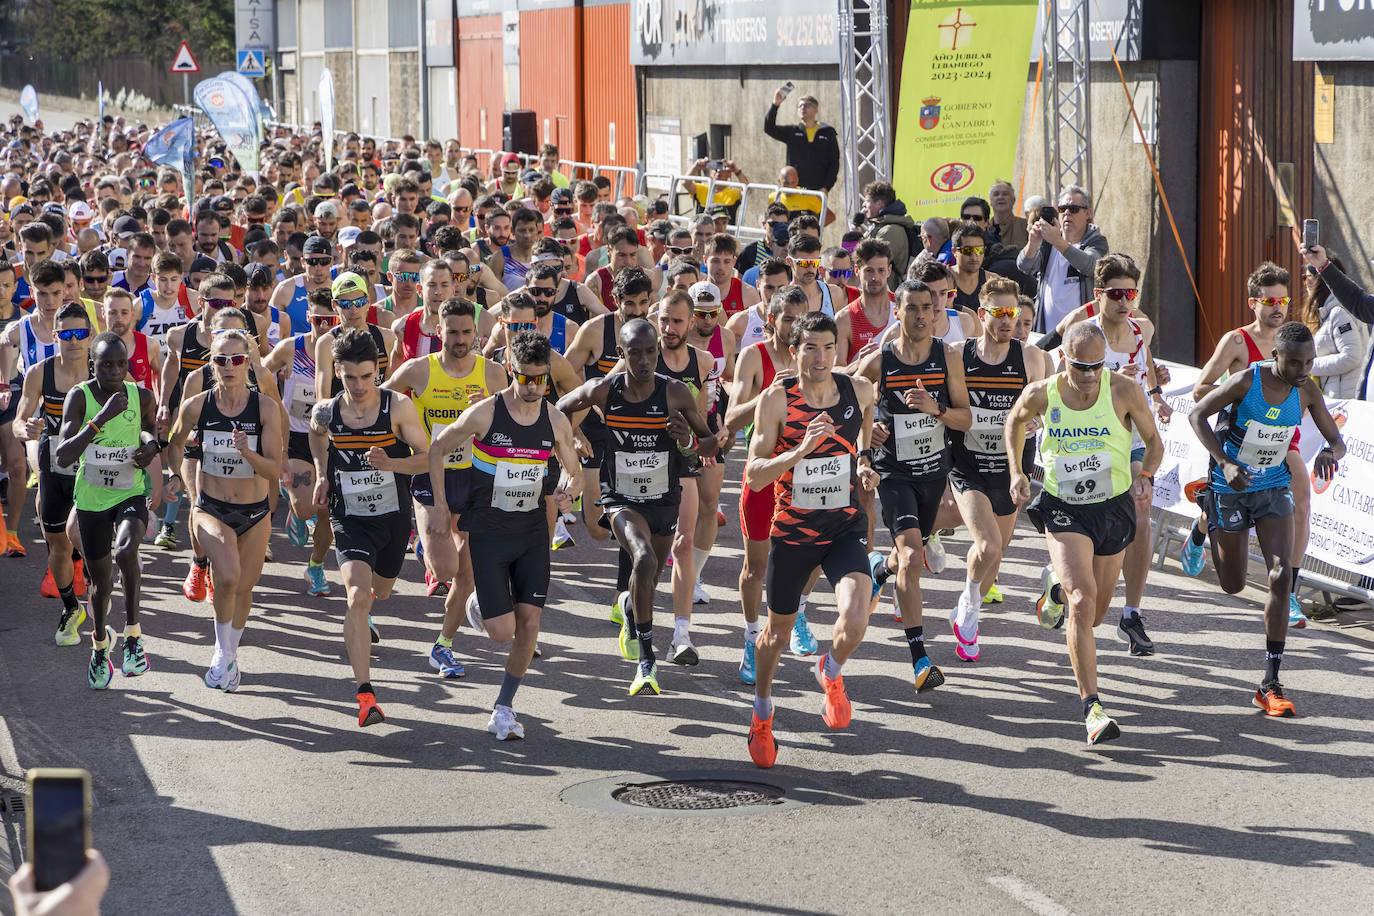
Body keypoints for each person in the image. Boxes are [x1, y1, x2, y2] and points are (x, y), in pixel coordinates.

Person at [1007, 321, 1162, 744]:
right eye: (1081, 367)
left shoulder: (1124, 390)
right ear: (1063, 359)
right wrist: (1016, 471)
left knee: (1093, 615)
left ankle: (1053, 591)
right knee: (1083, 601)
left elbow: (1154, 441)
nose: (1090, 376)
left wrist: (1146, 474)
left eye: (1098, 366)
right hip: (1063, 507)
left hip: (1112, 507)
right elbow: (1015, 422)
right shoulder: (1043, 392)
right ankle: (1092, 707)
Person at [426, 331, 583, 739]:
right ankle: (480, 603)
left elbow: (574, 471)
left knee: (530, 625)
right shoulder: (485, 414)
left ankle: (504, 707)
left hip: (532, 532)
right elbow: (437, 448)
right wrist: (441, 506)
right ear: (512, 371)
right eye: (526, 378)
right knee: (502, 632)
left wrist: (568, 493)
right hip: (490, 533)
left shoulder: (554, 419)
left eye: (541, 379)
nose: (534, 388)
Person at [1189, 322, 1344, 716]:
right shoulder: (1246, 381)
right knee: (1233, 583)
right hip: (1231, 486)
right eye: (1294, 362)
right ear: (1275, 356)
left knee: (1280, 575)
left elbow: (1336, 439)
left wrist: (1330, 453)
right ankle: (1207, 515)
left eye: (1309, 362)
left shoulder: (1307, 389)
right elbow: (1196, 416)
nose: (1302, 370)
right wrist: (1223, 463)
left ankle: (1270, 682)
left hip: (1274, 486)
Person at [556, 317, 717, 696]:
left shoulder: (675, 393)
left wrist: (687, 443)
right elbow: (557, 410)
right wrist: (573, 439)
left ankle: (630, 607)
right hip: (620, 498)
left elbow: (712, 445)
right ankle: (647, 661)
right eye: (634, 353)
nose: (643, 360)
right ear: (621, 354)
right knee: (642, 558)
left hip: (663, 498)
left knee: (650, 575)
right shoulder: (602, 390)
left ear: (658, 352)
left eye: (649, 352)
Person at [744, 312, 877, 768]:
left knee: (856, 616)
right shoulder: (777, 401)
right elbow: (755, 476)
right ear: (793, 350)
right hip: (794, 533)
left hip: (842, 525)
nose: (820, 358)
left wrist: (864, 466)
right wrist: (799, 450)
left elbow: (863, 444)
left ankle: (831, 672)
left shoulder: (858, 391)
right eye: (810, 348)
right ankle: (763, 712)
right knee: (777, 634)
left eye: (827, 348)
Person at [309, 328, 431, 726]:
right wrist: (321, 473)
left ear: (378, 371)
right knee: (358, 597)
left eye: (366, 376)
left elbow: (427, 458)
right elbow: (315, 436)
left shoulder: (397, 408)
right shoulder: (326, 411)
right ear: (337, 373)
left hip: (393, 519)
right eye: (349, 378)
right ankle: (365, 694)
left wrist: (392, 464)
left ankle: (373, 603)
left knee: (381, 591)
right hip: (349, 518)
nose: (359, 386)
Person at [855, 281, 971, 689]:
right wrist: (867, 442)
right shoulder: (879, 362)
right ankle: (921, 659)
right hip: (895, 474)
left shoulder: (947, 357)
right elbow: (851, 408)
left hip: (934, 473)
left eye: (928, 307)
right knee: (911, 558)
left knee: (909, 551)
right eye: (913, 308)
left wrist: (935, 408)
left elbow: (965, 418)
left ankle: (878, 568)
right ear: (897, 311)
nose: (922, 315)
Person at [1184, 263, 1311, 627]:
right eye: (1269, 300)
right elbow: (1201, 389)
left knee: (1301, 497)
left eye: (1284, 299)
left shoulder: (1293, 338)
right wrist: (1240, 395)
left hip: (1281, 436)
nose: (1278, 307)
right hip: (1241, 436)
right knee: (1231, 503)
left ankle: (1288, 590)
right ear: (1253, 302)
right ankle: (1203, 524)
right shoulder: (1237, 341)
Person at [383, 298, 505, 675]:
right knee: (447, 567)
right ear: (438, 330)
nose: (460, 339)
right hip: (432, 475)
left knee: (467, 575)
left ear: (477, 333)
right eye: (452, 332)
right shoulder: (418, 371)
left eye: (467, 332)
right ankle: (422, 541)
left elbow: (511, 425)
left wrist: (488, 409)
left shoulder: (494, 374)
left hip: (477, 478)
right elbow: (378, 403)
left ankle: (443, 645)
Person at [1059, 254, 1173, 655]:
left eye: (1132, 293)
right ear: (1098, 295)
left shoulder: (1142, 329)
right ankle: (1061, 578)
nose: (1126, 302)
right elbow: (1064, 386)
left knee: (1142, 510)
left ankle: (1132, 613)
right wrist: (1108, 386)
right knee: (1089, 525)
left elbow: (1146, 364)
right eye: (1116, 294)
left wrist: (1155, 391)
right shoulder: (1082, 334)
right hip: (1089, 439)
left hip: (1132, 439)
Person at [168, 328, 283, 691]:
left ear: (248, 362)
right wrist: (176, 474)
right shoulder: (198, 405)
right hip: (211, 508)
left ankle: (229, 656)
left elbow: (273, 469)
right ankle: (221, 652)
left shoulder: (264, 407)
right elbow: (174, 440)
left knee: (244, 588)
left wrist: (246, 452)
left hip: (255, 510)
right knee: (229, 577)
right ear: (211, 363)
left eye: (237, 359)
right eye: (221, 359)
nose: (229, 366)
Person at [945, 278, 1046, 660]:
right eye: (1000, 313)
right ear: (983, 314)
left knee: (997, 551)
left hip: (1012, 467)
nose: (1008, 322)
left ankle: (965, 602)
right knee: (986, 544)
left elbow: (1043, 405)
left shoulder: (1030, 357)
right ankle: (970, 613)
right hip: (967, 464)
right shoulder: (958, 353)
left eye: (1014, 314)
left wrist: (1037, 420)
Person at [55, 333, 160, 689]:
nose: (115, 371)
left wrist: (150, 446)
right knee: (102, 584)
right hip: (92, 499)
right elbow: (64, 455)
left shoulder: (141, 395)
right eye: (106, 364)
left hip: (130, 491)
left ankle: (133, 637)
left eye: (121, 364)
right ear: (92, 365)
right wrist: (100, 419)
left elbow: (149, 431)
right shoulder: (79, 397)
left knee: (127, 551)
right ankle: (101, 645)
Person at [726, 291, 809, 683]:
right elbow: (730, 419)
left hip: (804, 478)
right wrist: (770, 394)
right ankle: (749, 636)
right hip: (762, 478)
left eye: (802, 319)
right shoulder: (753, 356)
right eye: (789, 319)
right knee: (756, 566)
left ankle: (800, 613)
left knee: (807, 558)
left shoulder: (814, 355)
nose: (796, 327)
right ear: (771, 319)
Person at [12, 303, 90, 639]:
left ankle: (98, 592)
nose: (74, 341)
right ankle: (71, 606)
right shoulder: (39, 373)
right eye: (67, 334)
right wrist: (25, 429)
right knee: (56, 540)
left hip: (94, 469)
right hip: (54, 464)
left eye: (81, 334)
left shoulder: (104, 371)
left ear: (90, 336)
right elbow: (18, 421)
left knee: (94, 541)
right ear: (55, 335)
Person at [264, 287, 336, 595]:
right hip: (295, 435)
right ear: (308, 317)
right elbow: (259, 373)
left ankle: (316, 567)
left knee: (327, 511)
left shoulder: (344, 351)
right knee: (307, 510)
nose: (324, 326)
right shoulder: (289, 347)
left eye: (329, 320)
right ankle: (295, 504)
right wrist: (271, 396)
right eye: (318, 320)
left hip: (333, 438)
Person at [1016, 185, 1109, 332]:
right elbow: (1025, 266)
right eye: (1062, 209)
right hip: (1046, 333)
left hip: (1083, 335)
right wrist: (1032, 243)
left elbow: (1092, 266)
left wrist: (1057, 241)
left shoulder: (1096, 241)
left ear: (1088, 213)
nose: (1066, 213)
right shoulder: (1048, 242)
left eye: (1073, 209)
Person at [1302, 243, 1374, 396]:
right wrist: (1323, 265)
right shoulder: (1327, 311)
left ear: (1318, 281)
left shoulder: (1338, 312)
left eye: (1307, 277)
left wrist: (1308, 366)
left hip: (1343, 401)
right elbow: (1357, 300)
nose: (1305, 282)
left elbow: (1351, 356)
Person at [763, 87, 840, 195]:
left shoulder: (828, 132)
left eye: (807, 105)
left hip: (818, 192)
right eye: (800, 106)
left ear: (816, 110)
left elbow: (834, 163)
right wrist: (775, 104)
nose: (803, 108)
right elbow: (769, 128)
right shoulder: (792, 132)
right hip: (794, 190)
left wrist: (826, 187)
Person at [835, 239, 896, 364]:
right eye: (869, 270)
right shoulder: (844, 318)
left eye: (881, 270)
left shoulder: (903, 307)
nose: (875, 277)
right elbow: (836, 370)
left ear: (889, 270)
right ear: (857, 270)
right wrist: (859, 364)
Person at [860, 182, 916, 284]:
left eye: (867, 201)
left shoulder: (889, 231)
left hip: (887, 292)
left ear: (879, 204)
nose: (864, 205)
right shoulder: (883, 227)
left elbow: (872, 261)